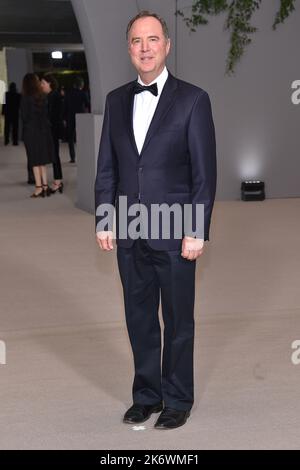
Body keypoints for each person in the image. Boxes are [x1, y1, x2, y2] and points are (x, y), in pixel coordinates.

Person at [95, 11, 217, 430]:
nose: (144, 48)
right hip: (129, 230)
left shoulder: (194, 99)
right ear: (128, 48)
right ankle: (146, 395)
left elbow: (204, 173)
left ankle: (178, 399)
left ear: (166, 45)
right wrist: (105, 219)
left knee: (179, 320)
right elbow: (107, 168)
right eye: (136, 41)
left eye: (152, 39)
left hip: (175, 230)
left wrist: (196, 230)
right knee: (139, 318)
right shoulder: (114, 100)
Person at [20, 73, 54, 198]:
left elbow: (24, 117)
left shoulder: (25, 98)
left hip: (31, 132)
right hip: (43, 131)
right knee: (42, 161)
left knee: (34, 161)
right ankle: (45, 186)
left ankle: (38, 188)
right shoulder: (43, 96)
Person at [40, 74, 64, 194]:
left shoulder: (54, 96)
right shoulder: (50, 96)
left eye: (43, 83)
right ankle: (58, 180)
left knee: (55, 156)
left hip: (53, 130)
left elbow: (55, 116)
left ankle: (58, 181)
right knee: (54, 156)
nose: (41, 85)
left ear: (50, 83)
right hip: (51, 130)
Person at [63, 76, 89, 163]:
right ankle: (83, 157)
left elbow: (65, 107)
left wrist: (64, 118)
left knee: (71, 139)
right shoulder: (83, 93)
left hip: (70, 117)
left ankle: (73, 157)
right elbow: (88, 104)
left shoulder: (68, 93)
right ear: (81, 85)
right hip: (81, 117)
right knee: (81, 138)